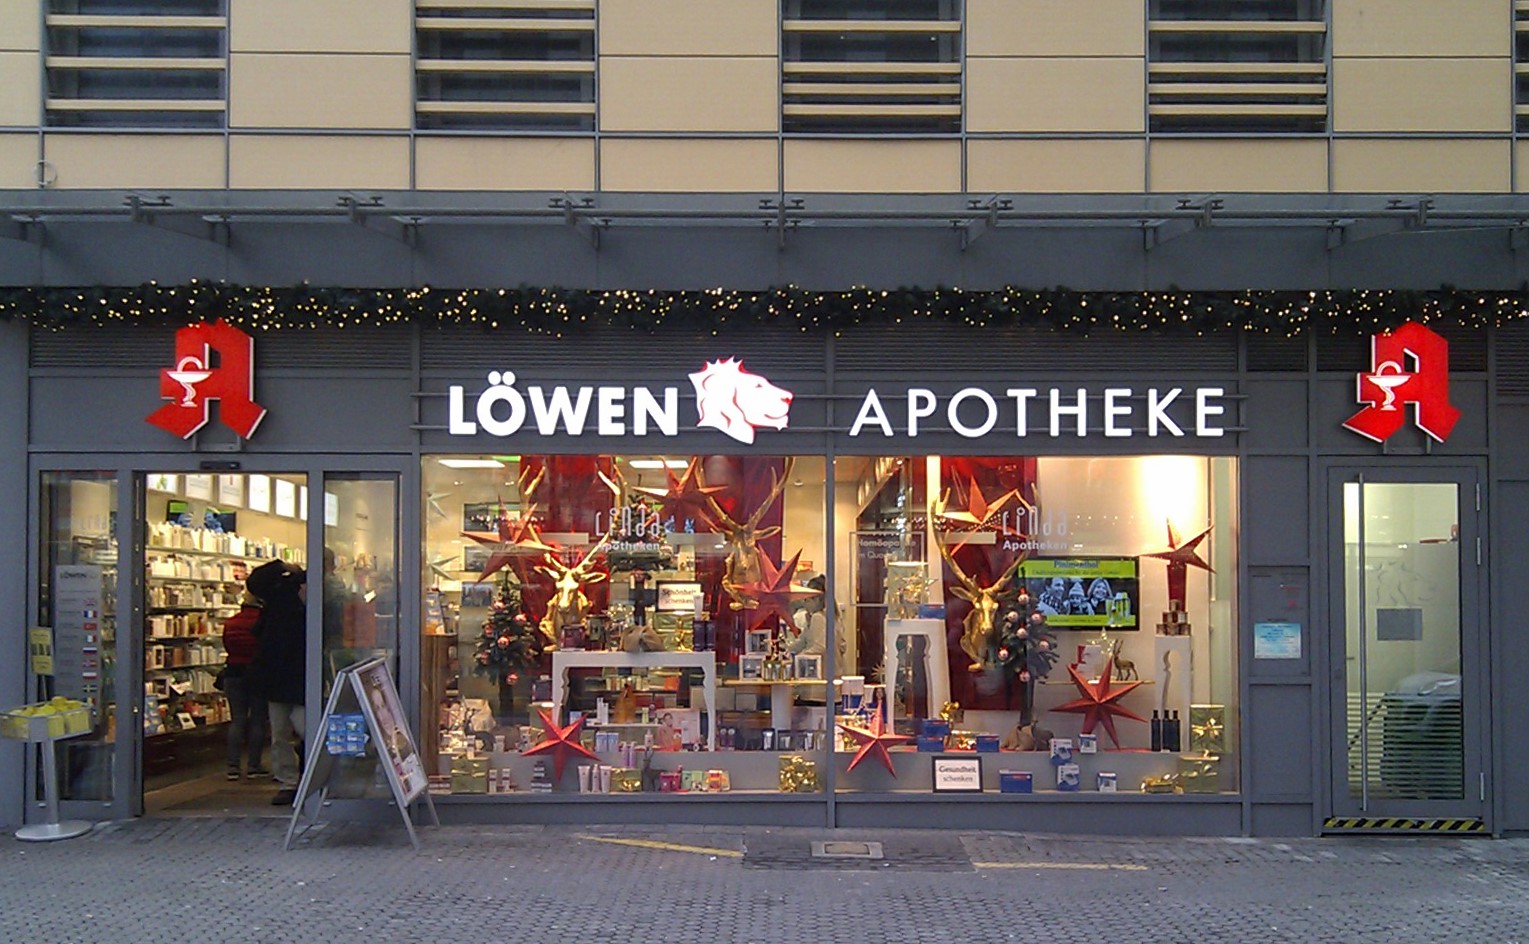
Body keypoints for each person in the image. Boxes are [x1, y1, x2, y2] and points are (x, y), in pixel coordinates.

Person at [247, 559, 307, 806]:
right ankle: (290, 781)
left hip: (291, 674)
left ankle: (297, 779)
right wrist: (283, 567)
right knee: (284, 731)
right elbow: (255, 582)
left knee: (296, 730)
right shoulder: (283, 589)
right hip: (288, 674)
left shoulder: (289, 591)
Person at [220, 584, 268, 781]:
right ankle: (253, 765)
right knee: (257, 720)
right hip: (257, 673)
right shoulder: (263, 622)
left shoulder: (231, 623)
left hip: (233, 672)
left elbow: (227, 645)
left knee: (237, 719)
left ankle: (233, 766)